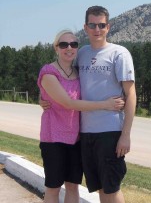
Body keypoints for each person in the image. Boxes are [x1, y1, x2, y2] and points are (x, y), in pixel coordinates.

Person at [38, 29, 125, 203]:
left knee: (72, 186)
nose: (69, 48)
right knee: (53, 187)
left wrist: (40, 98)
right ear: (56, 48)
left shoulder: (79, 73)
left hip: (76, 139)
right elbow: (68, 103)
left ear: (77, 48)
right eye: (64, 44)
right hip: (53, 139)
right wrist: (105, 105)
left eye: (73, 44)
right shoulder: (49, 72)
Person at [77, 5, 136, 203]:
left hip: (110, 132)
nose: (97, 30)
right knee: (101, 188)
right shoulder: (81, 53)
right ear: (85, 27)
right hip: (86, 133)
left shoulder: (119, 54)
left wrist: (125, 135)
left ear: (108, 27)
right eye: (92, 25)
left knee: (111, 188)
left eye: (101, 25)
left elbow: (131, 95)